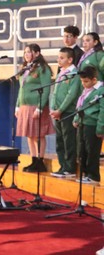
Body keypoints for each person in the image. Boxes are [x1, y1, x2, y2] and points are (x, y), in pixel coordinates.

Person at [15, 44, 54, 173]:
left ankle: (40, 161)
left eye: (29, 52)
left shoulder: (42, 68)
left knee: (39, 134)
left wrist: (40, 107)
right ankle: (33, 160)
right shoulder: (25, 68)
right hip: (25, 106)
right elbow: (21, 89)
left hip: (36, 105)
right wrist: (17, 105)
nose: (26, 54)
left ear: (37, 53)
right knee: (29, 135)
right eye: (25, 52)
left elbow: (46, 89)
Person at [50, 47, 81, 178]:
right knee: (60, 141)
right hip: (57, 112)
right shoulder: (61, 72)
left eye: (62, 58)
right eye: (58, 57)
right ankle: (62, 166)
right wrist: (53, 108)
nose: (59, 60)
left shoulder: (74, 74)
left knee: (69, 141)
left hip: (68, 112)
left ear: (70, 59)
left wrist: (60, 110)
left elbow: (71, 95)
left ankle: (70, 168)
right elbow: (55, 92)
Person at [73, 66, 104, 184]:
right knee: (82, 150)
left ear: (94, 80)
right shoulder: (86, 90)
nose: (83, 84)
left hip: (93, 124)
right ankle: (85, 173)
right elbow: (80, 106)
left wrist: (100, 128)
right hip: (83, 123)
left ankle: (93, 176)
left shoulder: (100, 91)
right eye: (82, 81)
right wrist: (76, 118)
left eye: (86, 81)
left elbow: (103, 111)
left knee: (92, 151)